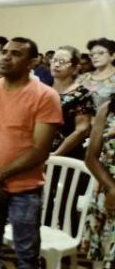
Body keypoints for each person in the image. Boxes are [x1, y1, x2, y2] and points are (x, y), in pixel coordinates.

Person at [0, 37, 63, 268]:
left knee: (26, 253)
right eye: (5, 52)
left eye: (16, 54)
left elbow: (40, 150)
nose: (5, 57)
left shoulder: (45, 95)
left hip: (25, 189)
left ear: (33, 61)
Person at [82, 94, 115, 268]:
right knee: (101, 257)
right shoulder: (108, 109)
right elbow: (91, 157)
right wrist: (112, 188)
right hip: (109, 189)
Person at [50, 46, 94, 159]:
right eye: (54, 60)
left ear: (75, 68)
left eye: (63, 62)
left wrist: (56, 154)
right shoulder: (43, 89)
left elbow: (82, 129)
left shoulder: (82, 94)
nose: (57, 64)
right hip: (39, 152)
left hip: (66, 155)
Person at [77, 38, 115, 109]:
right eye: (92, 54)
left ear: (112, 55)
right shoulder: (82, 78)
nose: (95, 56)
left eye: (100, 53)